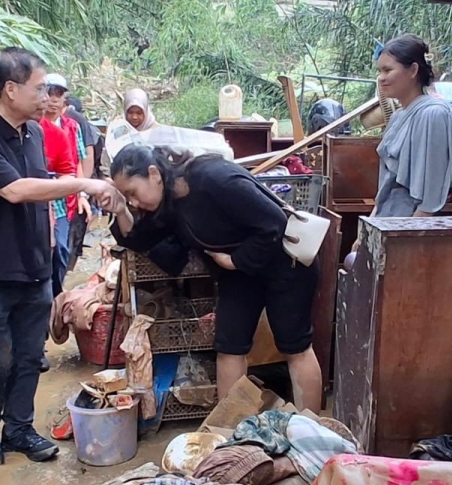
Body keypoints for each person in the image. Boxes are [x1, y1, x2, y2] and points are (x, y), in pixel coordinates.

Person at [0, 47, 121, 467]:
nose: (47, 96)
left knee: (29, 356)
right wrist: (84, 184)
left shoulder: (35, 133)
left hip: (32, 266)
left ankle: (19, 430)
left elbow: (40, 190)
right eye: (39, 88)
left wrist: (48, 247)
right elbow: (15, 190)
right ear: (10, 89)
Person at [107, 145, 323, 412]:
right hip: (240, 273)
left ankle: (312, 426)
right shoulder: (170, 202)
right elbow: (143, 239)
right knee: (229, 347)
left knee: (295, 347)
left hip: (285, 263)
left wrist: (234, 261)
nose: (133, 202)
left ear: (154, 174)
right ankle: (230, 428)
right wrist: (120, 210)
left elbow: (274, 223)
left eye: (132, 193)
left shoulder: (213, 178)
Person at [349, 35, 452, 256]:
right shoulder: (399, 116)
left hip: (409, 232)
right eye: (379, 71)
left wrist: (402, 244)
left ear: (413, 70)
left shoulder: (434, 114)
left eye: (388, 70)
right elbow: (386, 187)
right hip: (387, 223)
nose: (381, 78)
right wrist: (367, 232)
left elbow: (431, 196)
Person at [41, 73, 90, 297]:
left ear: (64, 99)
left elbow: (77, 162)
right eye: (49, 93)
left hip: (62, 198)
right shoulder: (32, 125)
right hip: (36, 193)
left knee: (61, 248)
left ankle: (56, 295)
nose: (53, 99)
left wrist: (81, 194)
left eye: (58, 94)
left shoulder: (71, 127)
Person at [65, 96, 101, 272]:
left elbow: (87, 157)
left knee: (73, 238)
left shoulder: (76, 122)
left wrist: (82, 192)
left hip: (77, 188)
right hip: (70, 188)